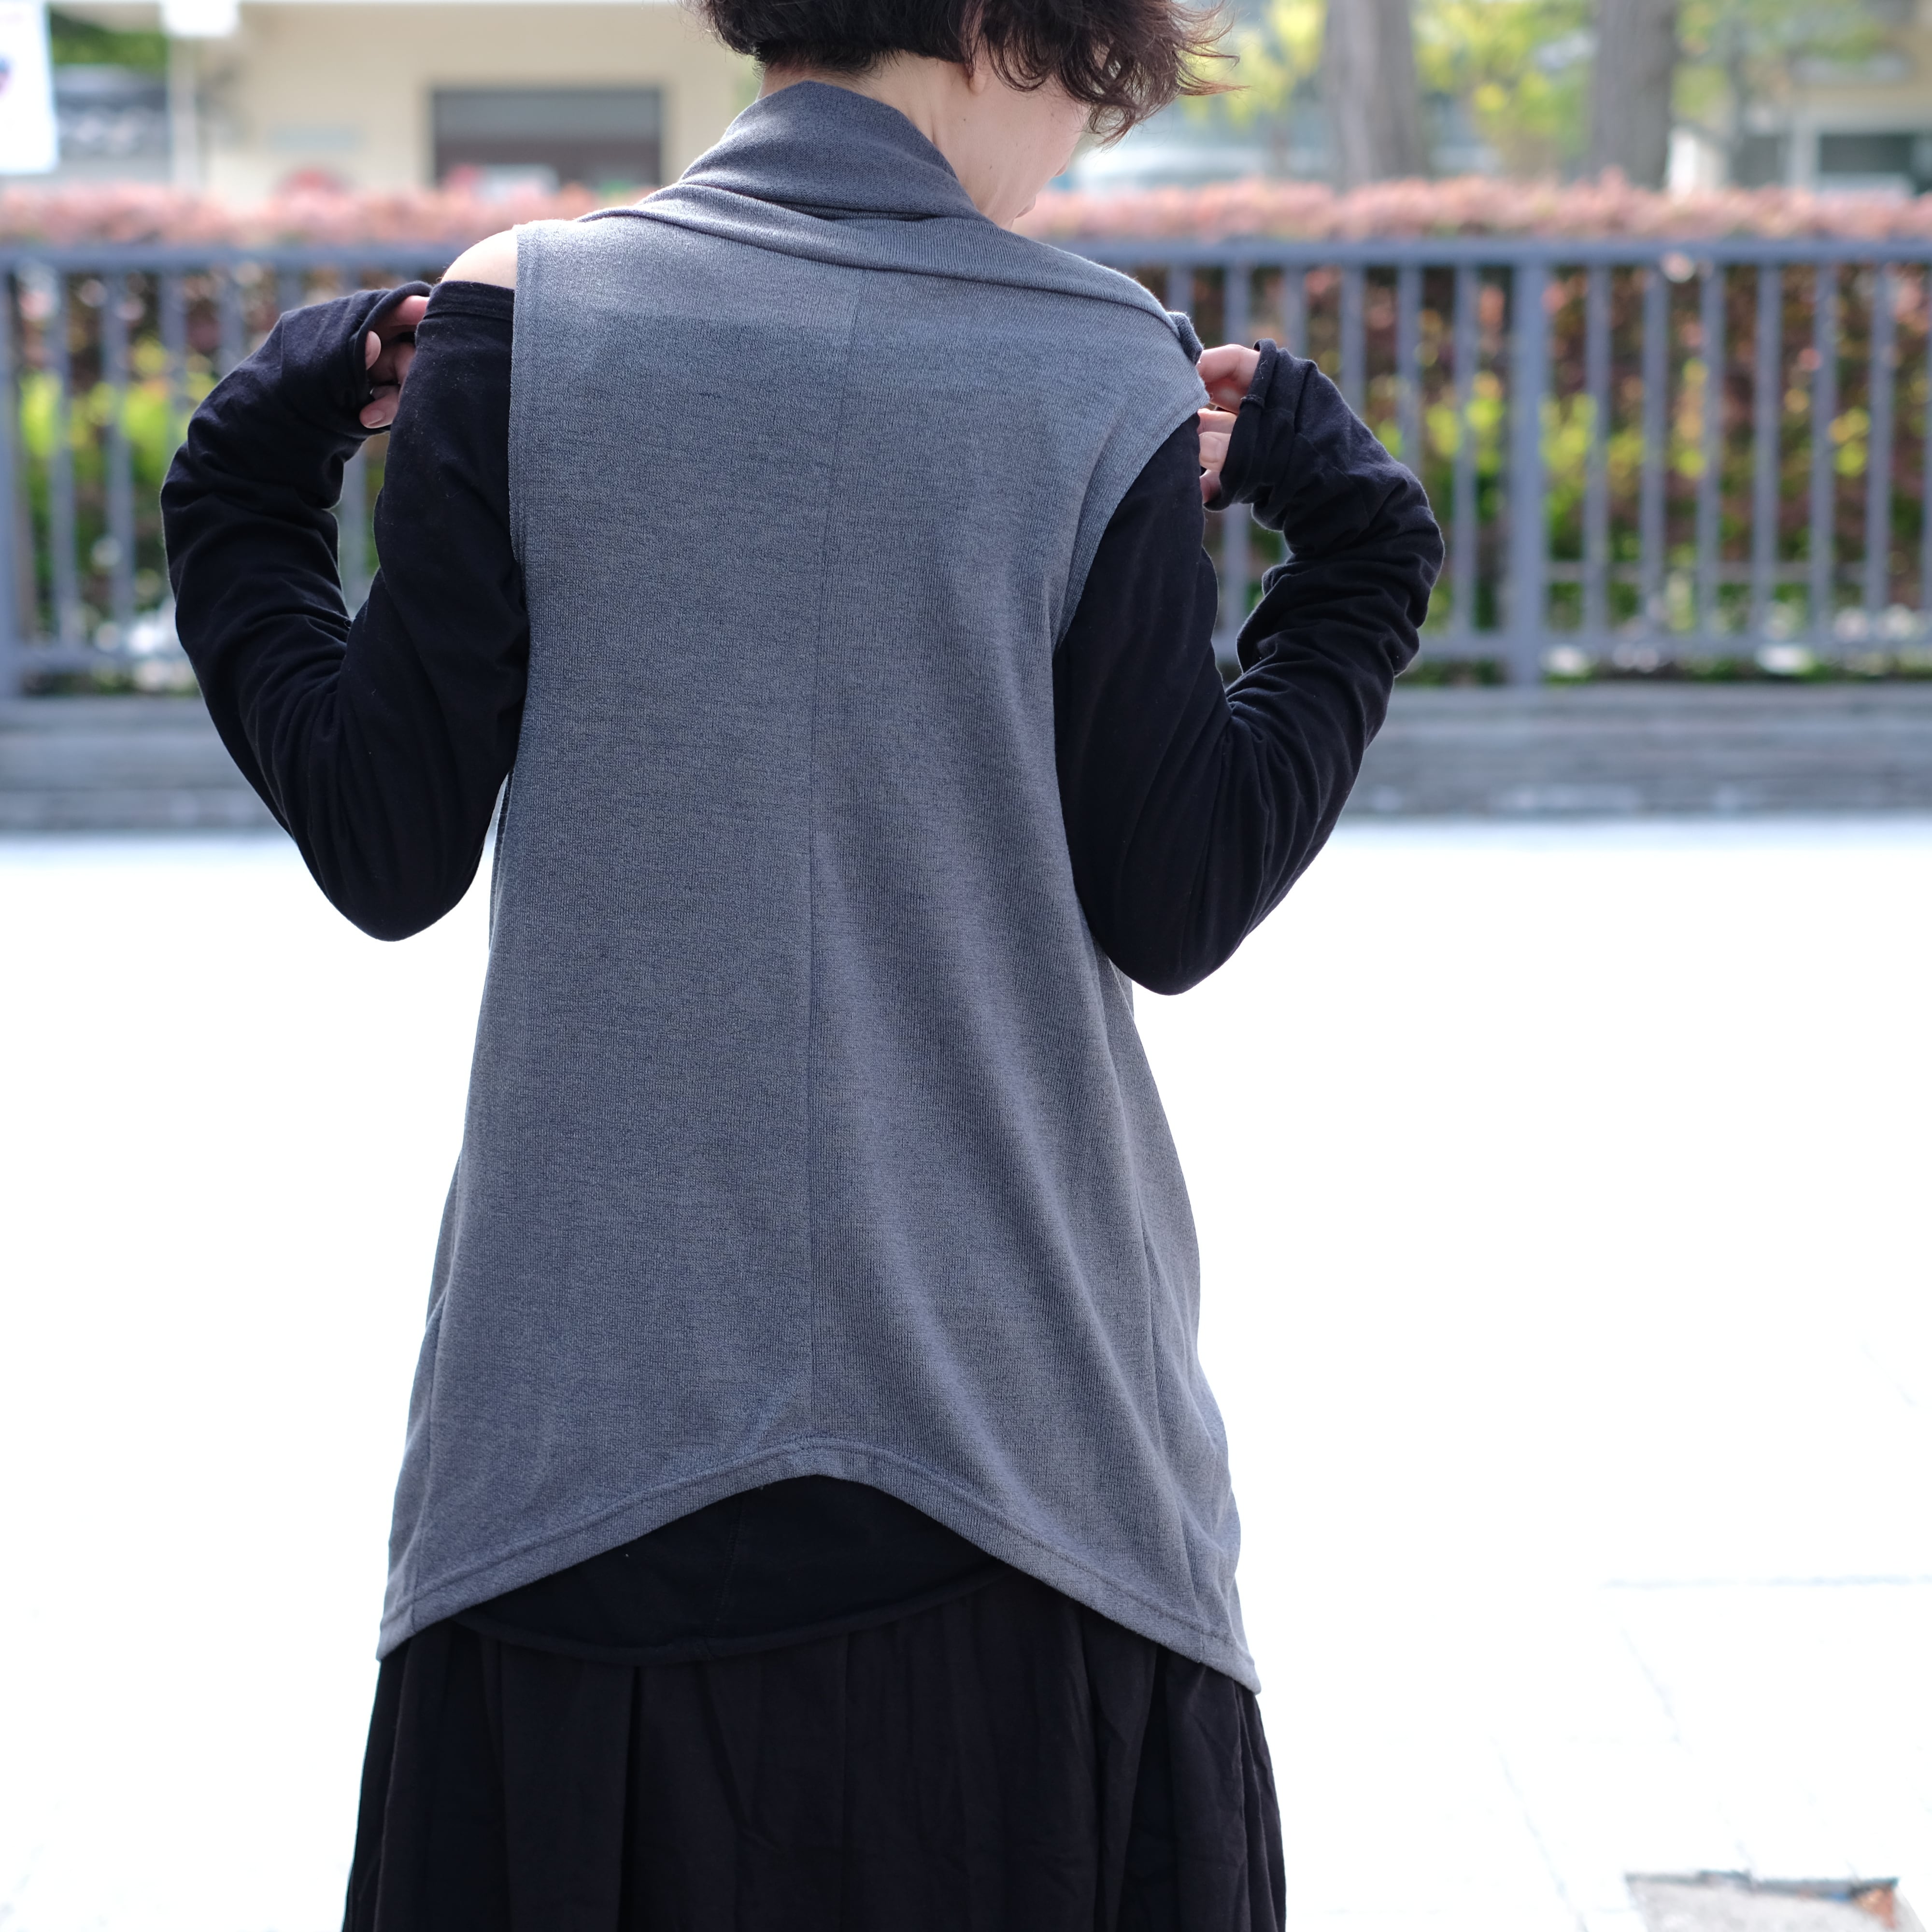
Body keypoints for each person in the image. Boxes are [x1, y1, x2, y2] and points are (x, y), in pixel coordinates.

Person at [161, 0, 1442, 1920]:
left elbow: (385, 838)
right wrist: (1355, 555)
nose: (1066, 160)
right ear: (1011, 31)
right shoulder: (1100, 363)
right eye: (1091, 99)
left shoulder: (520, 321)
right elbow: (1178, 898)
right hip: (1031, 1466)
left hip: (580, 1464)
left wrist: (251, 470)